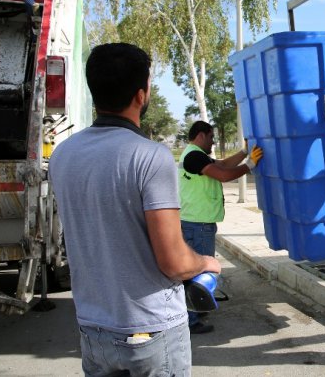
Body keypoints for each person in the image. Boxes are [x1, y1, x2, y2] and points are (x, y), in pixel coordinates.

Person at [50, 43, 221, 376]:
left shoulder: (62, 155)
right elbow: (173, 261)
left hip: (93, 328)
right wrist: (206, 262)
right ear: (141, 95)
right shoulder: (150, 156)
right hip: (151, 331)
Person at [178, 120, 263, 333]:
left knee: (194, 271)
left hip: (195, 222)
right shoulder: (194, 156)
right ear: (200, 135)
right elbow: (224, 175)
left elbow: (223, 165)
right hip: (198, 224)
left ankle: (195, 311)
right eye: (211, 137)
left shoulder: (195, 154)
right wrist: (249, 166)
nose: (213, 142)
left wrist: (244, 152)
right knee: (198, 273)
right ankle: (191, 320)